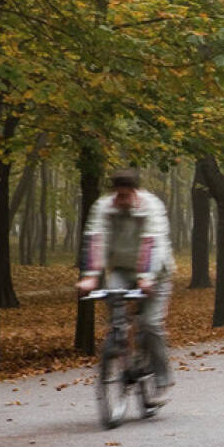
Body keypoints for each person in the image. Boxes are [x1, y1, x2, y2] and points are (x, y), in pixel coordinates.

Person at [77, 169, 176, 401]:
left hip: (156, 273)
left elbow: (153, 241)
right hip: (121, 268)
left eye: (125, 195)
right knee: (117, 319)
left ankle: (161, 377)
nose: (121, 201)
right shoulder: (103, 207)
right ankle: (121, 353)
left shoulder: (151, 206)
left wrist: (147, 276)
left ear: (134, 192)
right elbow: (95, 238)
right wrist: (91, 275)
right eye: (117, 195)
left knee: (151, 324)